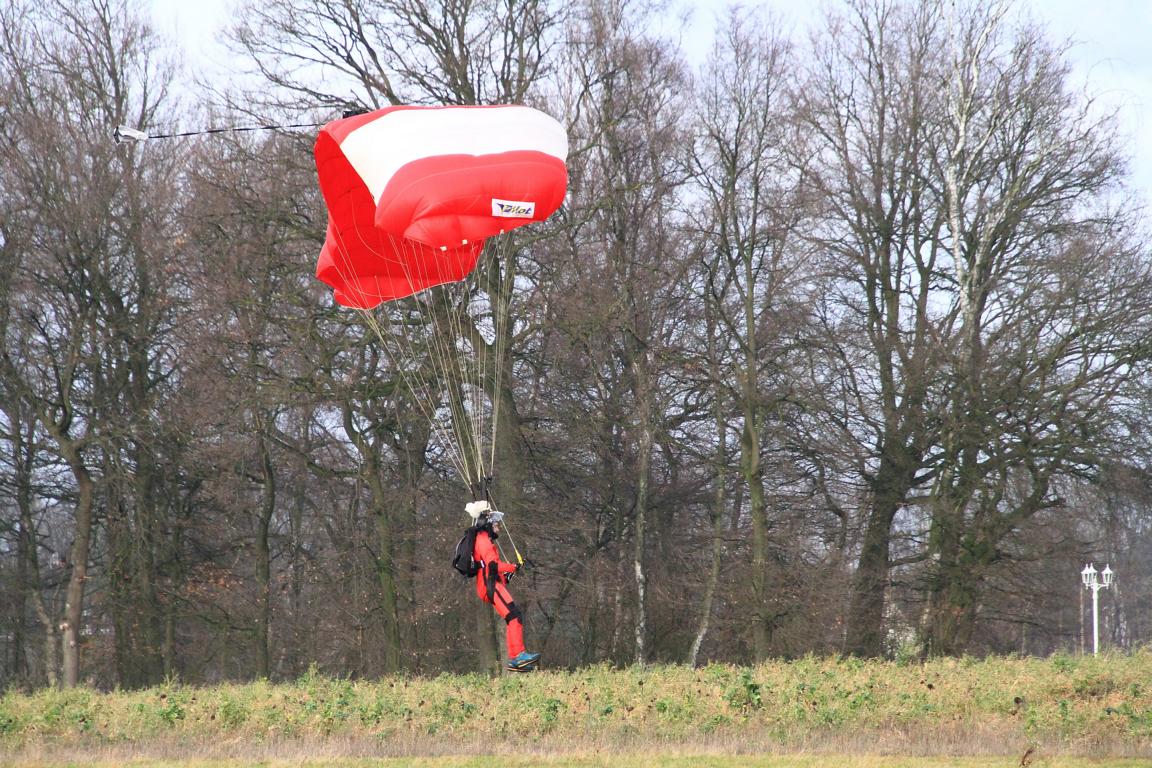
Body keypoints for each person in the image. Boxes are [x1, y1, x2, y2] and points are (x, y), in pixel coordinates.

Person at [466, 501, 541, 671]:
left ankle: (516, 658)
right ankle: (518, 656)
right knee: (514, 615)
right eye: (495, 524)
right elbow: (492, 566)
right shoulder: (483, 540)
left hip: (492, 584)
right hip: (489, 586)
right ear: (487, 524)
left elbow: (490, 568)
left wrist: (507, 575)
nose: (498, 527)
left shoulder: (485, 540)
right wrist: (512, 567)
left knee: (513, 616)